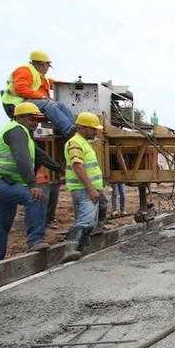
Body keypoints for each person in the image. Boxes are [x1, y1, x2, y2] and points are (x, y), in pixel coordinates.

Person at [0, 102, 62, 264]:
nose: (35, 123)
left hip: (2, 182)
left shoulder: (24, 133)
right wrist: (32, 185)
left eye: (38, 120)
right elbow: (22, 158)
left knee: (0, 221)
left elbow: (40, 156)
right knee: (36, 198)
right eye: (32, 119)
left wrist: (59, 168)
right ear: (20, 117)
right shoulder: (16, 131)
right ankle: (35, 241)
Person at [0, 50, 77, 138]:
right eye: (48, 66)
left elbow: (53, 84)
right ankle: (69, 131)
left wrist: (72, 85)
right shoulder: (24, 70)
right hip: (17, 104)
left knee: (60, 104)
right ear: (42, 64)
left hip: (29, 102)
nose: (48, 68)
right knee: (48, 104)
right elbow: (21, 89)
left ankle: (74, 129)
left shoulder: (38, 75)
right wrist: (42, 97)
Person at [62, 112, 105, 263]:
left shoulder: (84, 143)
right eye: (92, 129)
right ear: (82, 127)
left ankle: (81, 248)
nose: (95, 131)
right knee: (86, 219)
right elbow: (77, 166)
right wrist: (91, 189)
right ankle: (71, 249)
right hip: (84, 189)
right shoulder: (75, 143)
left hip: (88, 188)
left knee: (90, 220)